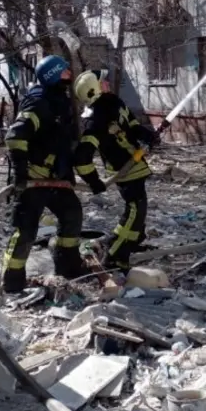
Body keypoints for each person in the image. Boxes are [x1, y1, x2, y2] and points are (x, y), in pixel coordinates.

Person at [2, 55, 85, 290]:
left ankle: (67, 265)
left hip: (55, 180)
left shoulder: (59, 101)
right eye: (65, 72)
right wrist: (20, 173)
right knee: (26, 231)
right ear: (52, 74)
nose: (69, 75)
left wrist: (67, 171)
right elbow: (15, 136)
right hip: (33, 179)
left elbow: (61, 141)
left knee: (72, 214)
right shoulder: (39, 103)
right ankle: (12, 279)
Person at [73, 69, 159, 271]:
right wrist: (94, 181)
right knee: (136, 210)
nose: (107, 82)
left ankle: (127, 241)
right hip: (123, 169)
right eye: (102, 81)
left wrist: (148, 136)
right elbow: (82, 156)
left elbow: (132, 125)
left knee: (136, 210)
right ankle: (115, 257)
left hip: (135, 164)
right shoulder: (96, 119)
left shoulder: (114, 103)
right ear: (94, 90)